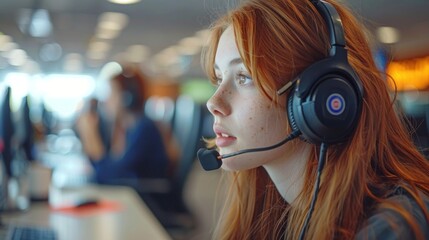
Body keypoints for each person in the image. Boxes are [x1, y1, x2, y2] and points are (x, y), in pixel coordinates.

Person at [199, 0, 429, 239]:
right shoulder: (274, 209)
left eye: (244, 77)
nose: (213, 103)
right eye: (218, 78)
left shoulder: (392, 228)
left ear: (322, 94)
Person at [76, 65, 169, 184]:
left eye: (111, 93)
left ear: (127, 98)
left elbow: (111, 176)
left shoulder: (144, 129)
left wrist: (91, 135)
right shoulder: (126, 128)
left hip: (146, 199)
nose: (106, 100)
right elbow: (104, 170)